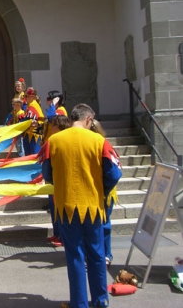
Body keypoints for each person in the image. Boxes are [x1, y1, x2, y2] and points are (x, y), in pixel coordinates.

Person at [40, 103, 122, 308]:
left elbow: (47, 174)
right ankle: (101, 300)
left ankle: (79, 303)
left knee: (75, 256)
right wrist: (98, 187)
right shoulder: (99, 141)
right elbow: (114, 174)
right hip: (93, 205)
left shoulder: (54, 141)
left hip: (66, 206)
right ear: (88, 120)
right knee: (96, 254)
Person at [90, 119, 119, 268]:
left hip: (104, 192)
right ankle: (97, 255)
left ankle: (106, 255)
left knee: (103, 225)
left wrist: (104, 190)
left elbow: (114, 172)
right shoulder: (91, 144)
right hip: (93, 192)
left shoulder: (102, 144)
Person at [44, 115, 71, 247]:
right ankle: (57, 232)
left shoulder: (61, 140)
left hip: (60, 179)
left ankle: (63, 236)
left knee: (61, 209)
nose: (52, 127)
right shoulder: (52, 139)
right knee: (54, 208)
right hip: (53, 179)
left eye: (54, 125)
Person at [22, 87, 44, 155]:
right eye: (24, 96)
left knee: (34, 156)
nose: (25, 98)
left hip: (34, 135)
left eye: (26, 96)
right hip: (28, 134)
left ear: (33, 97)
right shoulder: (29, 105)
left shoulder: (33, 105)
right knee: (28, 157)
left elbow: (40, 119)